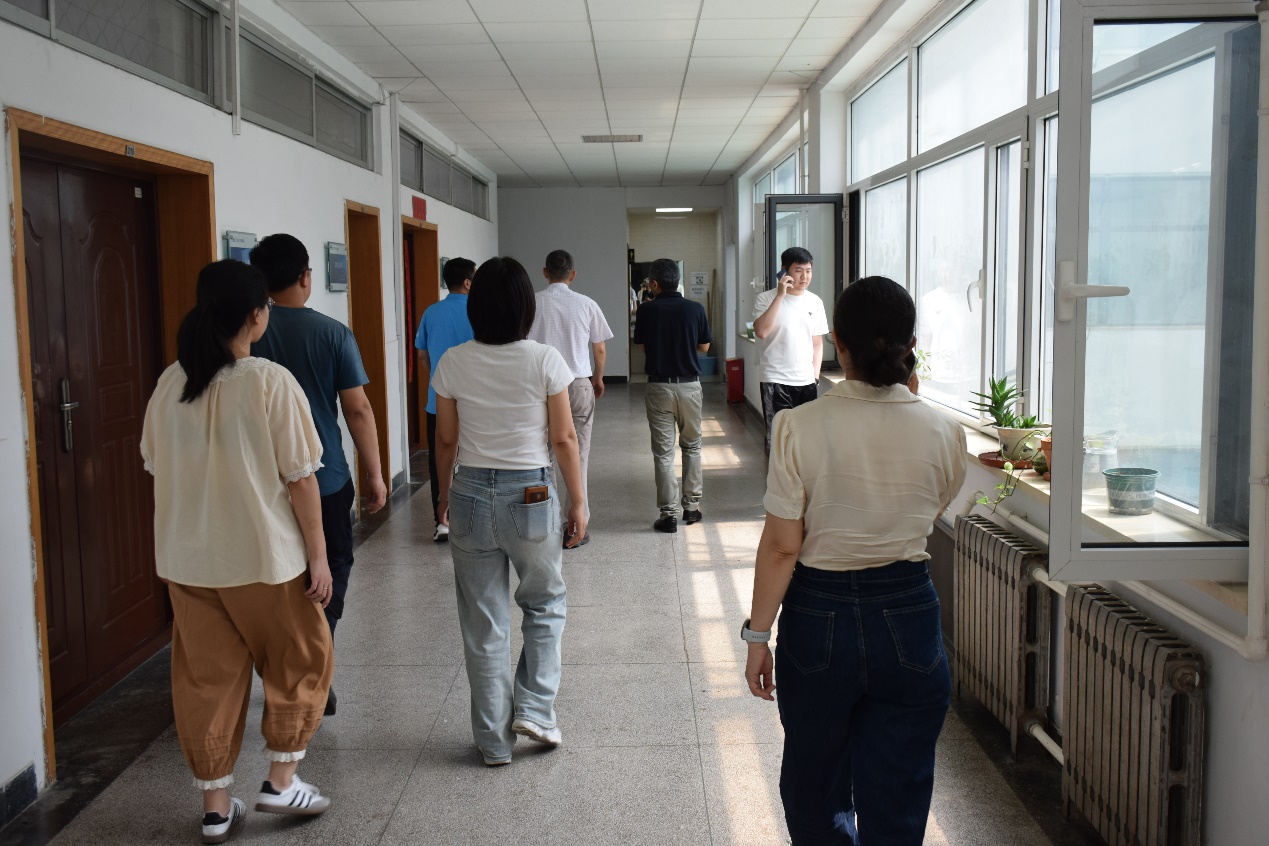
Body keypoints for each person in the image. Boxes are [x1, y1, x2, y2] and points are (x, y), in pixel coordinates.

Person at [742, 276, 967, 845]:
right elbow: (931, 509)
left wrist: (757, 636)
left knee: (815, 786)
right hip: (909, 614)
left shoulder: (797, 426)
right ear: (910, 344)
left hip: (819, 617)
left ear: (838, 344)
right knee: (898, 792)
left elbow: (782, 546)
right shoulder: (945, 431)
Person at [140, 260, 334, 845]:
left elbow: (155, 463)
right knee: (301, 657)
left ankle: (216, 808)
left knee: (206, 679)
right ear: (255, 315)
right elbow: (301, 478)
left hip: (188, 560)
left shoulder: (170, 383)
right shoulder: (269, 382)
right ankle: (281, 780)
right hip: (262, 558)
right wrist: (319, 557)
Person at [432, 256, 587, 767]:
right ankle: (537, 710)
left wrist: (443, 498)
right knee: (544, 604)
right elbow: (564, 439)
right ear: (526, 308)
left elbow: (446, 440)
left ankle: (493, 742)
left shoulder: (453, 361)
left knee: (483, 621)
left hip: (470, 492)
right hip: (532, 497)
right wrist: (579, 501)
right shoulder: (545, 360)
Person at [250, 234, 386, 718]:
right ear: (306, 277)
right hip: (324, 479)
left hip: (261, 484)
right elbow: (358, 409)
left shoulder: (247, 334)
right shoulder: (332, 333)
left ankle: (291, 666)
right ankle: (316, 659)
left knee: (277, 578)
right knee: (330, 570)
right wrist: (375, 473)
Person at [527, 249, 614, 548]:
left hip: (540, 386)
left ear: (545, 272)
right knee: (579, 454)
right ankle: (576, 524)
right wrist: (597, 378)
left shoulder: (531, 303)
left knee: (543, 455)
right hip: (577, 384)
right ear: (573, 274)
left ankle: (546, 522)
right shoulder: (586, 304)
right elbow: (599, 348)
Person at [632, 258, 712, 533]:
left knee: (664, 453)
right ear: (677, 280)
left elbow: (642, 347)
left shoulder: (646, 310)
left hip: (659, 387)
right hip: (690, 387)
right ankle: (692, 507)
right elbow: (704, 346)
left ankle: (668, 516)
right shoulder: (695, 309)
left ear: (654, 283)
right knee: (692, 447)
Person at [415, 257, 477, 542]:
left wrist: (437, 379)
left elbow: (422, 355)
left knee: (439, 458)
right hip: (474, 399)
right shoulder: (479, 310)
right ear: (467, 282)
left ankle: (442, 522)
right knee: (472, 458)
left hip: (438, 401)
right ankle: (471, 519)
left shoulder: (431, 312)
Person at [752, 247, 830, 454]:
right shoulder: (766, 299)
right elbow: (761, 332)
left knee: (806, 438)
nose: (805, 277)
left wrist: (815, 377)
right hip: (775, 379)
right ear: (784, 271)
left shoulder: (815, 302)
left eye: (808, 271)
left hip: (806, 381)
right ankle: (777, 474)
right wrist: (780, 296)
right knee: (779, 439)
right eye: (799, 271)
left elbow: (817, 343)